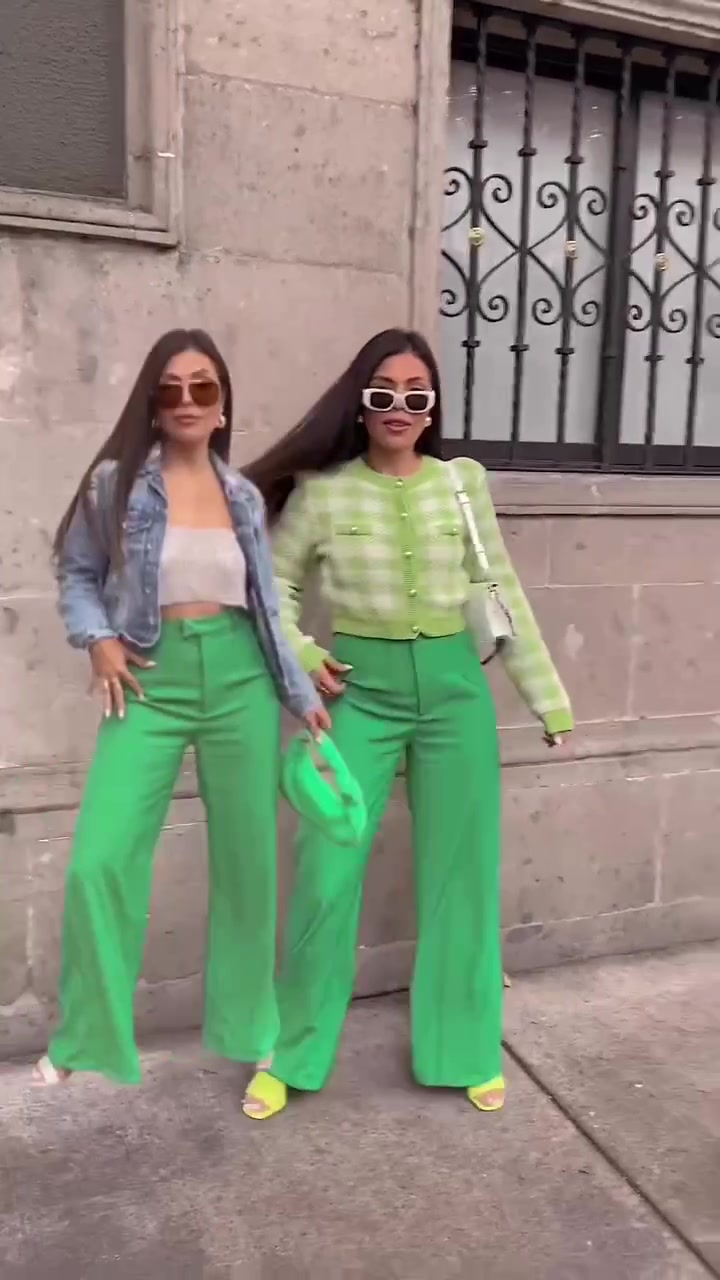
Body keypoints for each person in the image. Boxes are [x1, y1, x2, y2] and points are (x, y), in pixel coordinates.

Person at [241, 328, 573, 1118]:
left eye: (416, 395)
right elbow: (270, 589)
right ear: (360, 404)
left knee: (463, 877)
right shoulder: (324, 494)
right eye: (383, 392)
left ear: (433, 407)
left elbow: (501, 588)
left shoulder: (462, 483)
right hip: (361, 694)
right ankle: (293, 1052)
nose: (400, 406)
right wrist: (300, 652)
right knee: (326, 873)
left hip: (456, 694)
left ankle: (465, 1047)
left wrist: (547, 699)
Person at [33, 329, 329, 1088]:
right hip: (148, 677)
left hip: (239, 679)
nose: (187, 400)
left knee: (248, 863)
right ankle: (85, 1037)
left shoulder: (243, 496)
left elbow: (265, 607)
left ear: (223, 404)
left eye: (204, 387)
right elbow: (77, 573)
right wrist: (97, 639)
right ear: (153, 404)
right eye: (171, 388)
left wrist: (299, 695)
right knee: (100, 860)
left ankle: (252, 1025)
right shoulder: (115, 484)